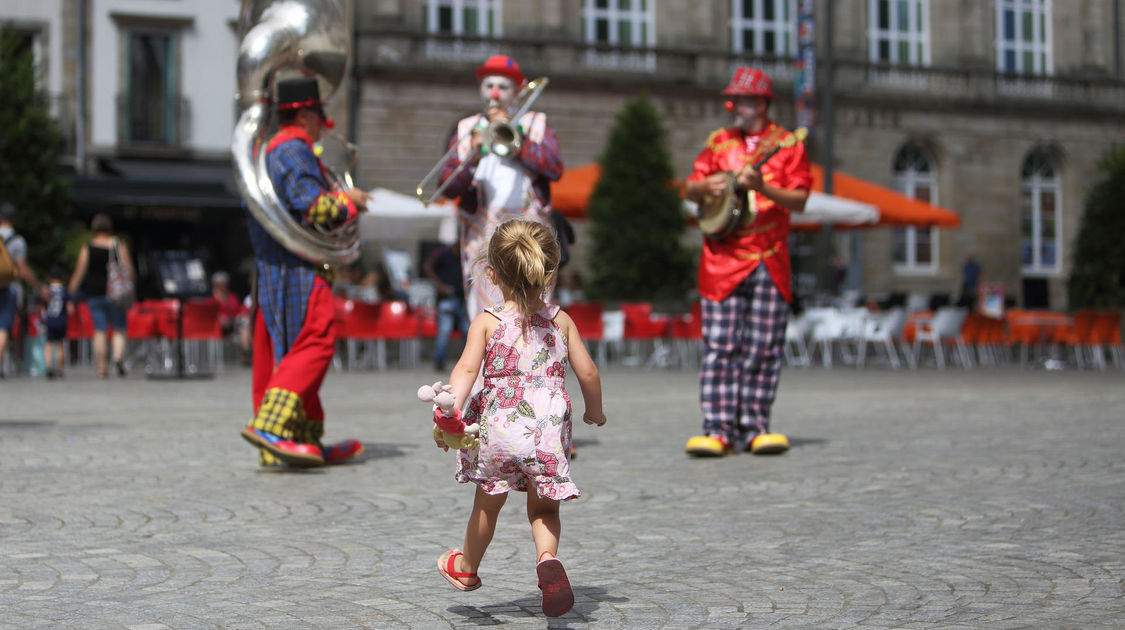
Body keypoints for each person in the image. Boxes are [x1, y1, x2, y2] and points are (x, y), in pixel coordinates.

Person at [435, 220, 606, 618]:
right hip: (545, 432)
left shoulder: (487, 321)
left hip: (499, 431)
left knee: (487, 505)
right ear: (550, 271)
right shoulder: (561, 320)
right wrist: (594, 411)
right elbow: (589, 373)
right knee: (544, 510)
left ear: (492, 275)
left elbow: (463, 372)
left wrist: (451, 412)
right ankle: (547, 558)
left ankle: (466, 568)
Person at [239, 77, 371, 468]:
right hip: (297, 266)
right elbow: (316, 209)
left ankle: (299, 440)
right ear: (305, 113)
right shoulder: (294, 149)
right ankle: (271, 428)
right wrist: (350, 200)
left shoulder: (271, 150)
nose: (321, 124)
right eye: (318, 115)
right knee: (313, 345)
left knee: (280, 352)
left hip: (275, 266)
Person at [682, 67, 811, 457]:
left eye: (742, 99)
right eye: (733, 99)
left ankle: (755, 426)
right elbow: (690, 188)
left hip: (769, 259)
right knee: (720, 346)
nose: (734, 106)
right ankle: (717, 429)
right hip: (722, 259)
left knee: (763, 347)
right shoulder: (719, 143)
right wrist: (704, 186)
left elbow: (800, 200)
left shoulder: (789, 144)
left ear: (761, 103)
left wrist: (763, 186)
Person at [437, 55, 564, 317]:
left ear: (517, 91)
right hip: (483, 230)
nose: (494, 93)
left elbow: (554, 167)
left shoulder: (534, 123)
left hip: (529, 228)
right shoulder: (467, 128)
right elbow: (447, 186)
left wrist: (517, 144)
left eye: (503, 87)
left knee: (532, 303)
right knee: (488, 307)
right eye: (488, 85)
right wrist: (473, 154)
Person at [68, 213, 133, 379]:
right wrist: (131, 289)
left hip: (94, 293)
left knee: (100, 330)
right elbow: (129, 270)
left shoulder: (88, 247)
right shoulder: (118, 245)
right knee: (119, 327)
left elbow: (80, 272)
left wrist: (71, 292)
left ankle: (102, 368)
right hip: (116, 293)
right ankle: (117, 356)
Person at [0, 202, 40, 378]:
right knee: (2, 327)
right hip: (9, 287)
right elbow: (22, 269)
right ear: (14, 220)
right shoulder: (17, 241)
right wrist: (38, 286)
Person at [422, 239, 468, 372]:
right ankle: (439, 361)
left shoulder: (465, 256)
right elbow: (427, 266)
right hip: (447, 298)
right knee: (444, 331)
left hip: (461, 298)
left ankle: (469, 361)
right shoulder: (443, 253)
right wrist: (439, 285)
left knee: (467, 331)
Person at [209, 271, 252, 363]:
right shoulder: (211, 298)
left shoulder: (231, 296)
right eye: (220, 284)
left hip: (234, 322)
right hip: (219, 326)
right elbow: (210, 314)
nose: (223, 286)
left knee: (244, 323)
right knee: (244, 324)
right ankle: (247, 351)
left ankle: (246, 351)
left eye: (224, 284)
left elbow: (240, 310)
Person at [43, 265, 71, 379]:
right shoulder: (64, 291)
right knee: (60, 345)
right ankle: (60, 369)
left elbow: (42, 306)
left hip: (50, 320)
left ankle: (49, 367)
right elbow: (70, 309)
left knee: (49, 344)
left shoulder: (47, 290)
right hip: (62, 320)